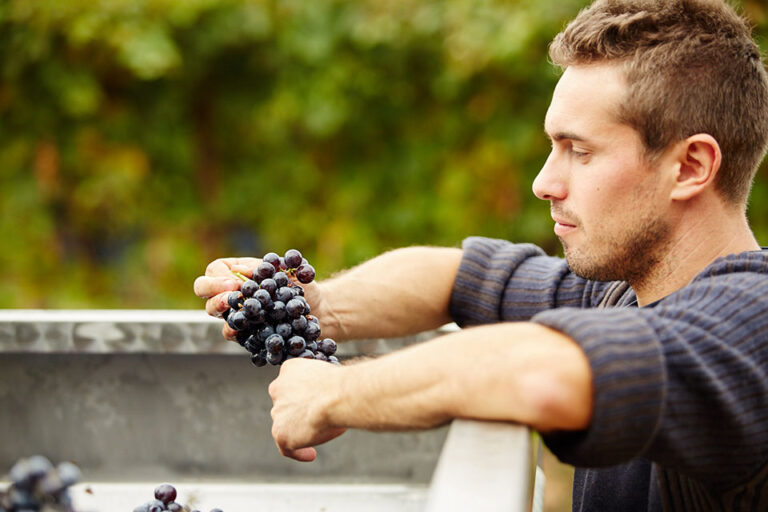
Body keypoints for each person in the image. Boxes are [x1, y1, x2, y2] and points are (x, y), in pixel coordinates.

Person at [193, 0, 768, 510]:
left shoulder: (752, 328)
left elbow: (541, 371)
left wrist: (334, 394)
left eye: (580, 151)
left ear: (691, 167)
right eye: (553, 147)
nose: (545, 183)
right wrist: (316, 307)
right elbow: (456, 278)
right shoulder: (629, 294)